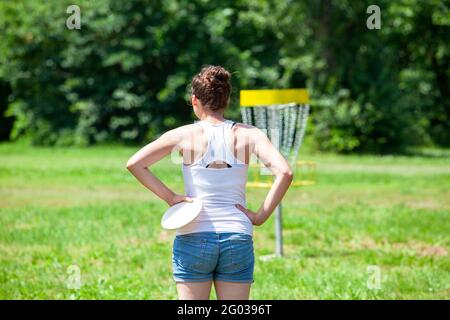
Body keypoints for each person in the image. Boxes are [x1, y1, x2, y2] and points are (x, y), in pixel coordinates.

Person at [126, 65, 293, 300]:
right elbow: (285, 172)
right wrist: (260, 216)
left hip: (193, 234)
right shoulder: (251, 134)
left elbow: (135, 163)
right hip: (237, 235)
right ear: (227, 100)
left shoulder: (183, 134)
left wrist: (171, 198)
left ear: (195, 100)